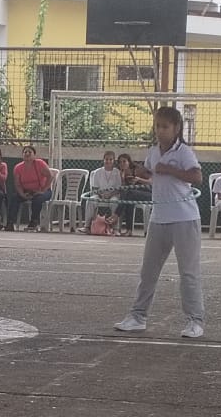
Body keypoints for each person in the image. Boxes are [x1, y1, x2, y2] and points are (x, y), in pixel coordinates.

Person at [114, 106, 206, 339]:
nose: (160, 131)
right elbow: (151, 173)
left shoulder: (184, 152)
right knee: (148, 271)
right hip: (159, 218)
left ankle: (195, 321)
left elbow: (197, 177)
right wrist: (142, 171)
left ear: (176, 128)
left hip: (184, 218)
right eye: (157, 126)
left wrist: (171, 169)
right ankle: (138, 317)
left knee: (188, 272)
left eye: (165, 126)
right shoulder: (153, 151)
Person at [6, 146, 52, 232]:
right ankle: (10, 223)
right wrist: (22, 194)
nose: (27, 154)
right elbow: (18, 185)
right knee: (14, 198)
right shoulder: (18, 168)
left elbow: (50, 176)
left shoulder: (40, 163)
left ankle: (33, 222)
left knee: (38, 199)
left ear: (34, 155)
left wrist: (43, 191)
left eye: (30, 152)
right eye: (25, 152)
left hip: (43, 191)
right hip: (26, 192)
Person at [85, 151, 123, 231]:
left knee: (114, 202)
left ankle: (115, 228)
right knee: (90, 201)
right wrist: (101, 194)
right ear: (103, 160)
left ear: (113, 161)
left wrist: (110, 194)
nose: (108, 161)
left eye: (110, 159)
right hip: (99, 194)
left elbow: (118, 189)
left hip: (113, 195)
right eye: (106, 159)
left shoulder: (117, 172)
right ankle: (87, 226)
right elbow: (94, 188)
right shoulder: (97, 172)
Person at [116, 152, 150, 236]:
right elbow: (123, 189)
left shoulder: (138, 169)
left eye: (124, 161)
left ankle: (116, 215)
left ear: (129, 162)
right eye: (120, 162)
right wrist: (123, 179)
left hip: (149, 193)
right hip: (134, 195)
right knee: (129, 200)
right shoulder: (121, 173)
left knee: (129, 193)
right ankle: (129, 230)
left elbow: (151, 181)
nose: (122, 164)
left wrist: (139, 179)